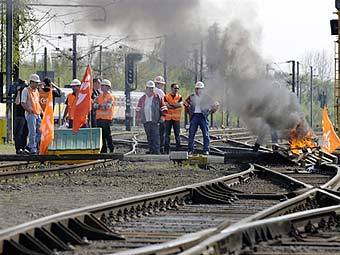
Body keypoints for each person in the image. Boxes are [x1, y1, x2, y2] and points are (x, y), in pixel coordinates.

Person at [184, 81, 219, 155]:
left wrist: (211, 111)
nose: (198, 90)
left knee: (205, 134)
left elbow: (215, 104)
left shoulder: (206, 98)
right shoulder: (191, 97)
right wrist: (189, 111)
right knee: (191, 133)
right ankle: (190, 150)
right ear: (195, 89)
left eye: (200, 89)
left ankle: (206, 149)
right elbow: (185, 104)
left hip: (203, 116)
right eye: (197, 89)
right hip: (194, 116)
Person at [136, 80, 167, 154]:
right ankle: (151, 150)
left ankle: (156, 151)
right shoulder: (142, 98)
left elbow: (163, 107)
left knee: (156, 136)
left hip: (155, 120)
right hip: (146, 120)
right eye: (149, 88)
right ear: (146, 88)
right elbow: (138, 109)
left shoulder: (157, 97)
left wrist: (163, 116)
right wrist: (138, 118)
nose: (151, 90)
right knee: (149, 136)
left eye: (152, 88)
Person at [21, 74, 43, 154]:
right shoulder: (25, 90)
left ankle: (29, 145)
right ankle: (32, 148)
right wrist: (28, 110)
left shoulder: (36, 91)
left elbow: (37, 102)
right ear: (31, 82)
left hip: (37, 114)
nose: (37, 84)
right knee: (32, 131)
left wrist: (41, 111)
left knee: (41, 131)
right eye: (36, 83)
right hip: (30, 114)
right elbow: (22, 103)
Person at [94, 79, 115, 153]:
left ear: (108, 87)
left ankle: (111, 148)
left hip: (107, 119)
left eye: (104, 86)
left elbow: (107, 107)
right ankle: (104, 149)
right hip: (99, 118)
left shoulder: (110, 97)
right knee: (102, 135)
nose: (102, 87)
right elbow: (94, 105)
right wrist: (101, 106)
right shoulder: (99, 96)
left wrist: (99, 106)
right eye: (101, 85)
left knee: (107, 135)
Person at [164, 83, 183, 154]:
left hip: (176, 118)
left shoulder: (179, 97)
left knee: (177, 134)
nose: (176, 90)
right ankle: (167, 150)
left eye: (177, 88)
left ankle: (178, 149)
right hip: (168, 118)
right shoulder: (166, 96)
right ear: (171, 88)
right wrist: (175, 105)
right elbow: (166, 105)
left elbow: (180, 105)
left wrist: (171, 105)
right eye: (175, 88)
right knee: (167, 134)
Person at [13, 79, 28, 154]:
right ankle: (19, 148)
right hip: (19, 115)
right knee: (19, 133)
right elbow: (17, 102)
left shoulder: (27, 91)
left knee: (25, 133)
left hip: (26, 115)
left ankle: (23, 147)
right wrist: (18, 91)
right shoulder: (18, 92)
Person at [154, 75, 166, 153]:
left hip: (154, 116)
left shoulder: (152, 90)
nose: (162, 85)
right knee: (161, 133)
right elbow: (164, 103)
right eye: (161, 84)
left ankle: (155, 147)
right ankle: (160, 148)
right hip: (160, 115)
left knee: (154, 133)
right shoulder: (160, 92)